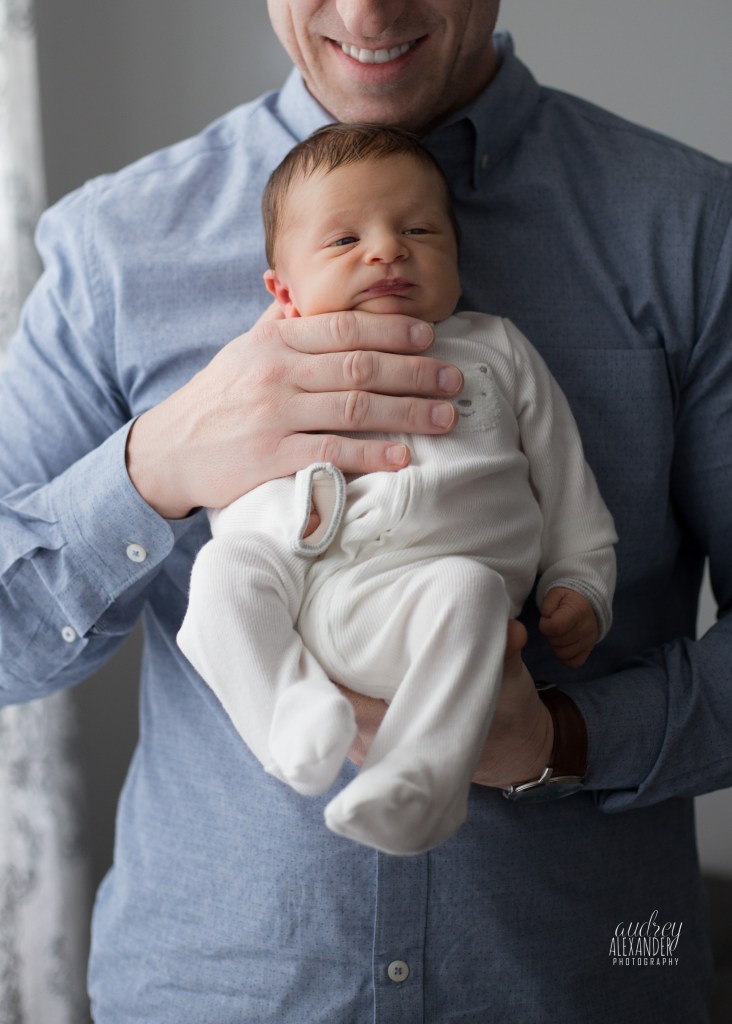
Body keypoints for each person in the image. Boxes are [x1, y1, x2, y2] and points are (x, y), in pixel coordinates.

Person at [0, 2, 730, 1020]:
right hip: (212, 993)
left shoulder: (692, 229)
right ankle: (291, 712)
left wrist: (565, 740)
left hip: (582, 986)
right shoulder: (114, 243)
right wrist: (153, 464)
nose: (366, 11)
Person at [177, 122, 617, 856]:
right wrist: (287, 522)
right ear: (284, 291)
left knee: (471, 589)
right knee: (221, 568)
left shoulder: (496, 349)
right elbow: (234, 494)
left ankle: (417, 785)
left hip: (434, 611)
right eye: (345, 240)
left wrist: (581, 578)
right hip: (309, 597)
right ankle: (290, 718)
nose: (387, 250)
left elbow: (566, 483)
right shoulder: (268, 367)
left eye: (418, 230)